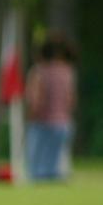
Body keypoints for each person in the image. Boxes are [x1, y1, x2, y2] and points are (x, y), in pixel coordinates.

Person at [25, 33, 77, 182]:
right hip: (63, 123)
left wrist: (31, 114)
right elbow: (71, 100)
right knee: (55, 165)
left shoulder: (39, 71)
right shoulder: (68, 72)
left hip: (42, 122)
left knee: (37, 168)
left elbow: (35, 99)